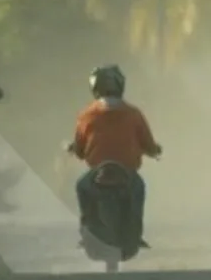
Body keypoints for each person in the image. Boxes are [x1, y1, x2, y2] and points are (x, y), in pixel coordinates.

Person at [66, 64, 161, 249]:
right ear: (120, 85)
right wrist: (155, 151)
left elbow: (79, 149)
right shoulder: (134, 114)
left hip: (97, 173)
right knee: (138, 189)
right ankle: (135, 234)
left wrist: (76, 150)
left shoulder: (86, 115)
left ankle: (86, 232)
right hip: (127, 172)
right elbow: (149, 145)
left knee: (82, 187)